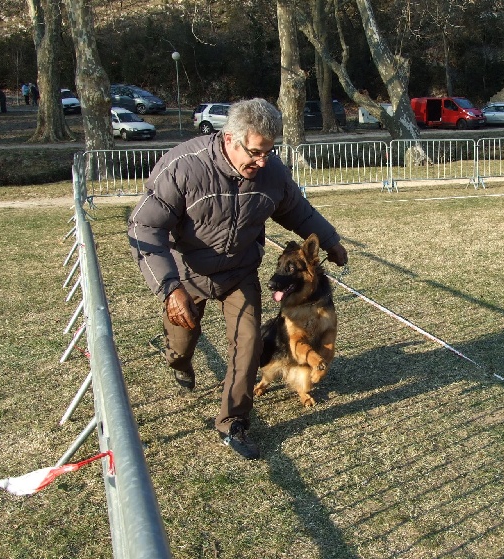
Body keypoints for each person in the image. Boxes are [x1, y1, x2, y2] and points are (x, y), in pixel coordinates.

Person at [127, 98, 348, 460]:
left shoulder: (271, 172)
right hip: (188, 273)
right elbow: (145, 226)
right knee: (182, 346)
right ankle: (177, 360)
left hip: (239, 272)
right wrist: (169, 289)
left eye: (269, 152)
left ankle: (233, 422)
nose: (263, 162)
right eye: (256, 152)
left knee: (247, 347)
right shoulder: (183, 166)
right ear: (230, 138)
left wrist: (330, 241)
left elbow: (297, 210)